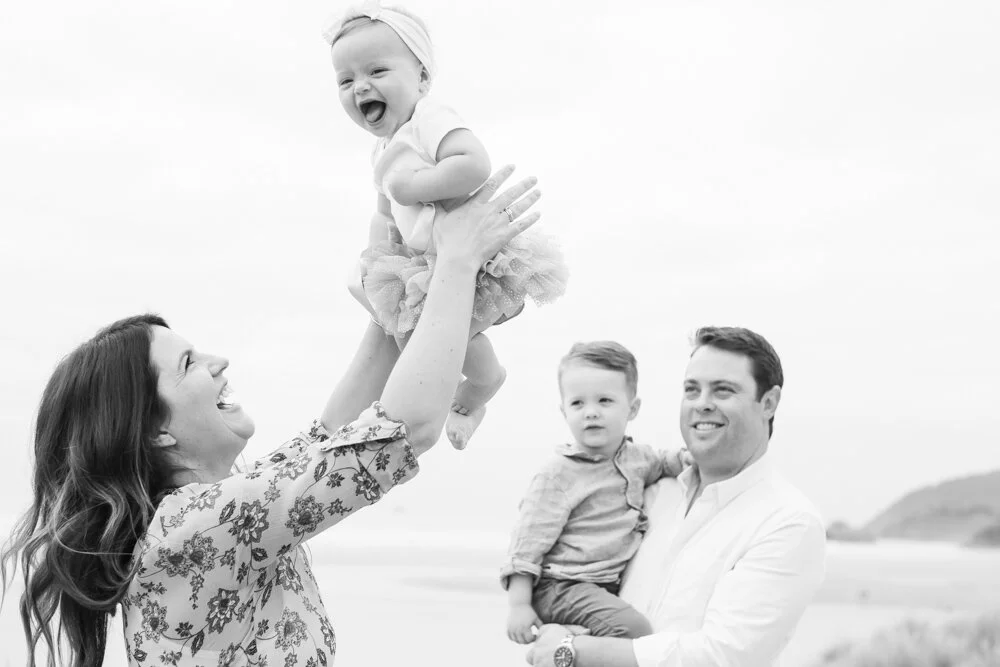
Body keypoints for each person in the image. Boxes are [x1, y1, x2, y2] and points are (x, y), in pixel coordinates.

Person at [0, 167, 540, 667]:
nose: (219, 362)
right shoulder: (192, 527)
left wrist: (398, 272)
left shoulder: (219, 506)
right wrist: (457, 265)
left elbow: (331, 437)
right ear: (155, 431)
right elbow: (400, 434)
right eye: (189, 364)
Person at [322, 2, 569, 450]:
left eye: (377, 71)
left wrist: (415, 185)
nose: (361, 87)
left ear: (421, 78)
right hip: (426, 260)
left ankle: (484, 384)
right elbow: (385, 211)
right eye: (345, 79)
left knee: (453, 330)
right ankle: (463, 399)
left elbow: (474, 164)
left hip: (468, 250)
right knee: (408, 316)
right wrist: (380, 254)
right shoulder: (382, 148)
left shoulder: (429, 119)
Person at [526, 327, 827, 667]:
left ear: (768, 403)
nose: (702, 404)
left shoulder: (788, 522)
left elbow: (721, 656)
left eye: (723, 390)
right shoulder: (648, 492)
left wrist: (572, 650)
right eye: (691, 390)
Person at [502, 342, 689, 643]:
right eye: (578, 404)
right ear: (564, 411)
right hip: (561, 585)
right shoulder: (558, 474)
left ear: (633, 408)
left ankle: (572, 636)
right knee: (635, 630)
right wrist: (519, 605)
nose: (591, 412)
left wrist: (691, 459)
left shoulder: (638, 459)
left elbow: (665, 462)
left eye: (604, 400)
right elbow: (527, 544)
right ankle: (563, 639)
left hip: (603, 586)